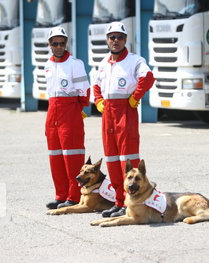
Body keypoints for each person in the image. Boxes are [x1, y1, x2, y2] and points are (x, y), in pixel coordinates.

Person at [92, 22, 155, 217]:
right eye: (112, 37)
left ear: (125, 40)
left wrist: (136, 96)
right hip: (108, 113)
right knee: (111, 159)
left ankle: (131, 203)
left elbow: (148, 77)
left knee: (127, 160)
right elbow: (95, 83)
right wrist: (98, 100)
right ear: (107, 40)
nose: (115, 41)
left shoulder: (135, 61)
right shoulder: (103, 63)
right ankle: (119, 202)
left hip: (125, 111)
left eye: (119, 37)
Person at [44, 26, 90, 210]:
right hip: (52, 112)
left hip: (69, 112)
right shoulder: (47, 65)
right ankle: (60, 195)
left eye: (62, 43)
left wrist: (75, 111)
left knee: (72, 156)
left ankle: (74, 196)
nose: (59, 46)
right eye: (55, 43)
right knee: (55, 157)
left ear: (66, 44)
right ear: (49, 45)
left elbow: (84, 93)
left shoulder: (75, 64)